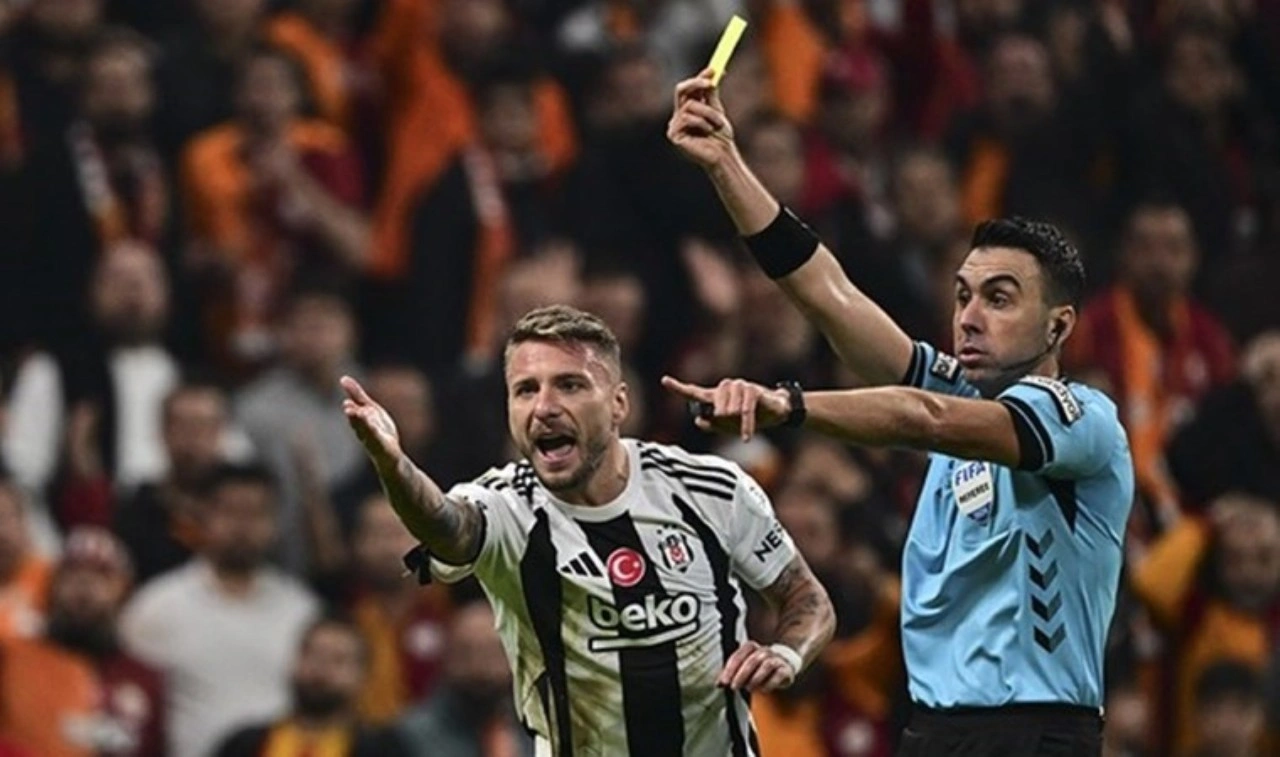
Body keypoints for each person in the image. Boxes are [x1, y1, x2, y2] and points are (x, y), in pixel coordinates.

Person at [666, 68, 1133, 755]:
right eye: (963, 295)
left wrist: (789, 405)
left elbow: (925, 419)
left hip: (1034, 733)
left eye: (999, 299)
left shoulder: (1081, 420)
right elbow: (827, 293)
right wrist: (724, 163)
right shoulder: (959, 391)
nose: (968, 317)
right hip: (931, 729)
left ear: (1059, 325)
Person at [340, 304, 835, 755]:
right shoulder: (507, 505)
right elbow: (448, 527)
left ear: (619, 404)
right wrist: (394, 465)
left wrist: (787, 654)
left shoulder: (710, 489)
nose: (544, 407)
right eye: (526, 390)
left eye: (570, 385)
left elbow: (804, 596)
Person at [119, 463, 319, 757]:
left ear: (275, 524)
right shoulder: (156, 608)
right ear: (203, 517)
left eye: (256, 514)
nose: (243, 527)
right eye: (230, 512)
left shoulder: (302, 613)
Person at [0, 527, 166, 757]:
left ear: (124, 590)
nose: (84, 587)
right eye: (72, 575)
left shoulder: (144, 677)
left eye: (101, 576)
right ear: (52, 586)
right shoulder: (13, 658)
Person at [214, 616, 411, 757]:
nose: (321, 668)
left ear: (362, 676)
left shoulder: (382, 750)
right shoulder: (245, 744)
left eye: (338, 660)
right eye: (312, 654)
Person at [398, 600, 533, 756]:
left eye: (492, 654)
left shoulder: (543, 731)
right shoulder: (406, 740)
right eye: (465, 654)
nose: (480, 668)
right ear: (447, 659)